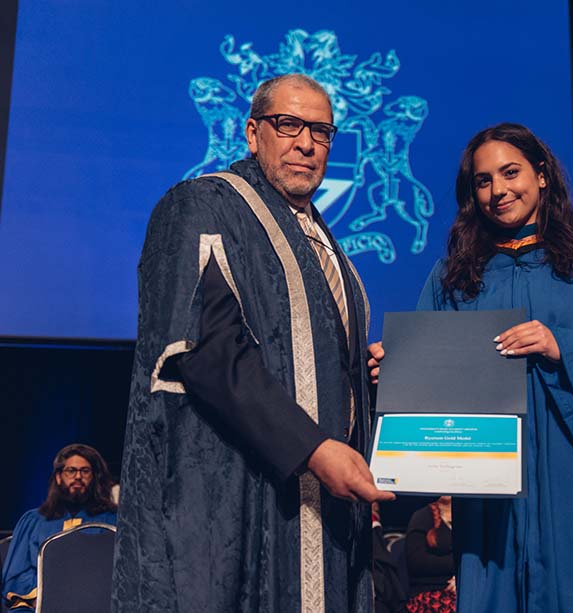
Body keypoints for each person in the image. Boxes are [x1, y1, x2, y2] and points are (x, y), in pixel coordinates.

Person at [112, 74, 393, 613]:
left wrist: (368, 376)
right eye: (288, 125)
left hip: (325, 507)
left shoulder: (323, 241)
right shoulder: (203, 204)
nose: (306, 144)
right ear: (252, 132)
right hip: (238, 495)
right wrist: (312, 449)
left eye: (322, 132)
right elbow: (203, 350)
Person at [369, 123, 573, 611]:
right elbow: (429, 375)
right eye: (483, 181)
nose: (498, 190)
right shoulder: (453, 277)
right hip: (490, 481)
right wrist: (396, 371)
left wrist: (560, 345)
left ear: (542, 175)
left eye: (511, 173)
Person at [2, 444, 117, 611]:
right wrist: (44, 596)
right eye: (71, 471)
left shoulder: (112, 521)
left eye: (85, 471)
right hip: (36, 605)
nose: (78, 476)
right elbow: (17, 573)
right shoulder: (33, 521)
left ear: (95, 478)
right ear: (58, 477)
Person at [404, 496, 455, 613]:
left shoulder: (470, 518)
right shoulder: (422, 517)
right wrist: (460, 567)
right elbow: (417, 563)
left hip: (462, 590)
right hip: (429, 591)